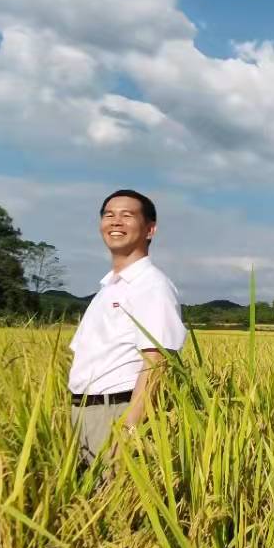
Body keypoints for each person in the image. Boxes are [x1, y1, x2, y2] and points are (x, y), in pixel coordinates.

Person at [68, 188, 186, 465]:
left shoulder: (152, 285)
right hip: (83, 412)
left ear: (150, 230)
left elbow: (156, 361)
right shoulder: (107, 288)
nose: (115, 221)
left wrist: (130, 428)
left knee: (108, 500)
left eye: (127, 215)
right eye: (109, 215)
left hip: (116, 412)